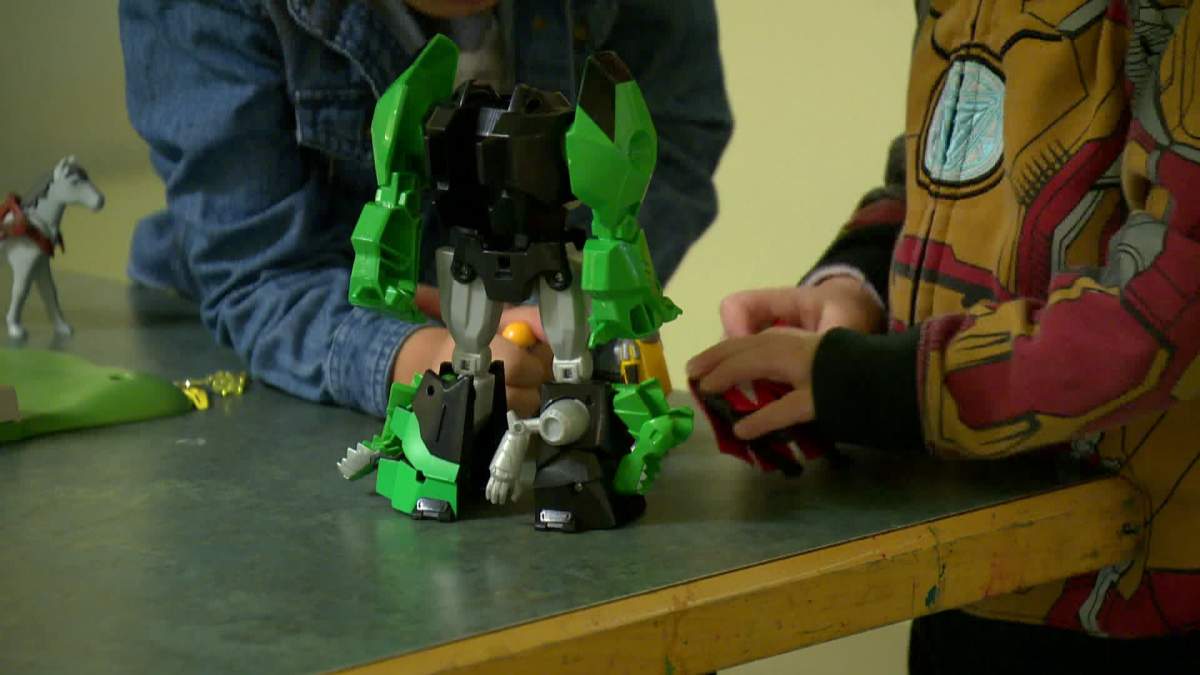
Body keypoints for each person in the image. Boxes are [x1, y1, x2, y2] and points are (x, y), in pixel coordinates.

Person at [689, 1, 1200, 671]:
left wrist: (879, 384)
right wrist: (854, 285)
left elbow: (1168, 307)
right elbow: (940, 167)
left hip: (1139, 599)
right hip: (963, 575)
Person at [118, 0, 730, 418]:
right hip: (255, 362)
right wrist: (421, 359)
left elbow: (671, 135)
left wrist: (582, 292)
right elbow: (258, 270)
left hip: (512, 358)